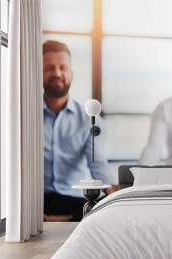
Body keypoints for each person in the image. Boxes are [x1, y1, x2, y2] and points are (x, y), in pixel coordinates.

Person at [43, 40, 114, 222]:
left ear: (71, 74)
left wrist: (114, 193)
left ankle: (57, 221)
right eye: (50, 68)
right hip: (35, 198)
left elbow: (97, 163)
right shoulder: (24, 115)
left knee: (104, 205)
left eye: (62, 67)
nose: (57, 73)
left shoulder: (89, 119)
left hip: (74, 199)